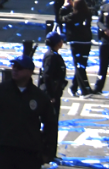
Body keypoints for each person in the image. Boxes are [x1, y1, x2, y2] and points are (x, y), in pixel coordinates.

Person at [0, 56, 50, 169]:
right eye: (14, 66)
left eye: (20, 67)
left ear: (30, 72)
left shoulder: (39, 96)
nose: (15, 70)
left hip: (30, 153)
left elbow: (50, 125)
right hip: (2, 151)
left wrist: (47, 152)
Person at [38, 32, 67, 162]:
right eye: (60, 40)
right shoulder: (51, 57)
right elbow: (47, 76)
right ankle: (47, 152)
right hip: (50, 95)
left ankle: (51, 153)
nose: (62, 42)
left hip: (54, 93)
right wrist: (51, 95)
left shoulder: (54, 55)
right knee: (50, 124)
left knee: (52, 124)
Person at [60, 0, 94, 96]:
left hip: (76, 42)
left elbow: (61, 18)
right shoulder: (88, 14)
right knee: (81, 65)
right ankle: (74, 87)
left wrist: (65, 6)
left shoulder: (73, 15)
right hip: (87, 42)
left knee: (79, 66)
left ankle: (84, 89)